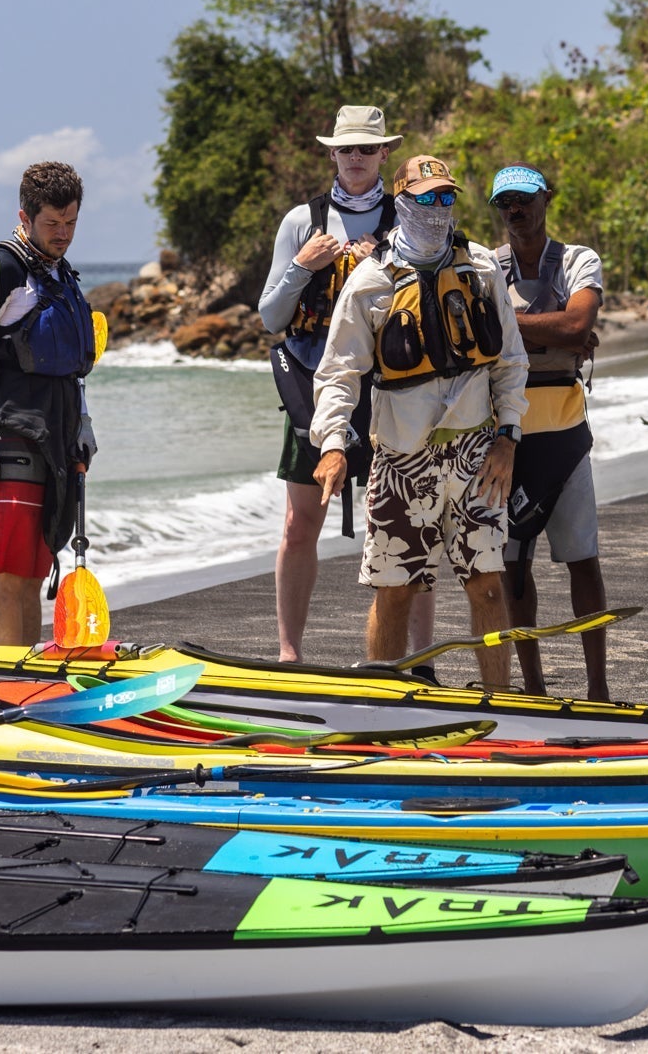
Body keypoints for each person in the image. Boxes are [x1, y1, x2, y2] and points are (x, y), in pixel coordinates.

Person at [310, 155, 529, 690]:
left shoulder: (479, 267)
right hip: (401, 458)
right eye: (426, 197)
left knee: (488, 587)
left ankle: (499, 704)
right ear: (402, 200)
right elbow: (339, 371)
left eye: (447, 197)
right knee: (396, 591)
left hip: (476, 452)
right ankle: (385, 701)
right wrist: (333, 444)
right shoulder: (369, 281)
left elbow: (510, 362)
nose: (437, 208)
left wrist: (508, 437)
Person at [257, 105, 401, 663]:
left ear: (384, 153)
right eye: (347, 149)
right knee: (300, 523)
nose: (357, 159)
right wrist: (302, 266)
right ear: (332, 154)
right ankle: (289, 653)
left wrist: (381, 267)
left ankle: (405, 658)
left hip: (390, 389)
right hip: (314, 389)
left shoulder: (405, 216)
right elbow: (272, 317)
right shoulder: (302, 221)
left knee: (400, 527)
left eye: (368, 149)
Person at [0, 161, 98, 645]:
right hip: (8, 437)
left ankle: (29, 681)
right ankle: (6, 682)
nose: (63, 234)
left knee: (36, 572)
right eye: (52, 224)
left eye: (71, 223)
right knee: (8, 574)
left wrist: (83, 421)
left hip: (55, 438)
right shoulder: (3, 266)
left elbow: (70, 365)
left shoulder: (60, 274)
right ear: (25, 215)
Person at [489, 165, 610, 701]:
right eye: (505, 203)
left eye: (524, 199)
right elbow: (478, 335)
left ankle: (599, 689)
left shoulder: (578, 259)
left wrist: (510, 332)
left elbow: (577, 326)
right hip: (507, 437)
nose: (515, 210)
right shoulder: (488, 265)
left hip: (564, 432)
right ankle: (534, 687)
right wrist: (555, 331)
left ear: (546, 200)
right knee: (514, 568)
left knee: (581, 560)